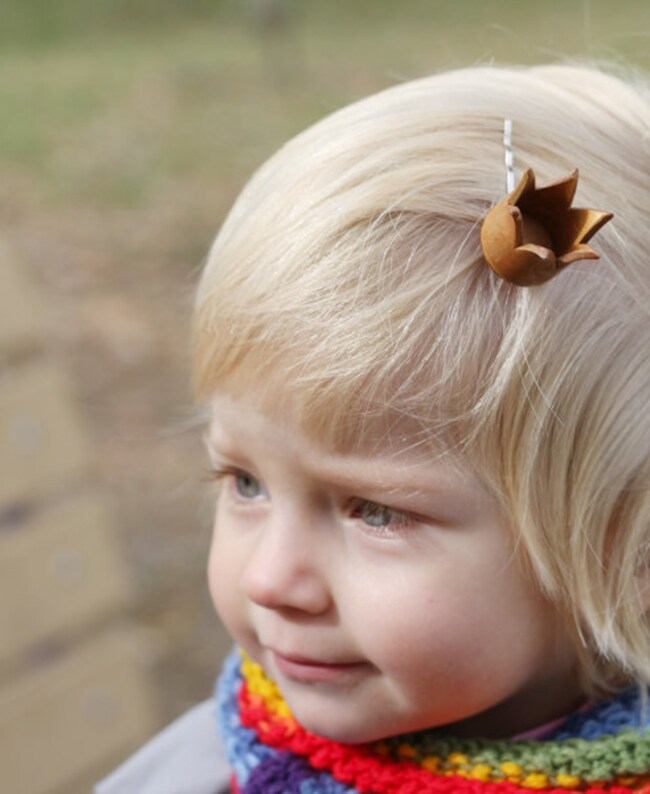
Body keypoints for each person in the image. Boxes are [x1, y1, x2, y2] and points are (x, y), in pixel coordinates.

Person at [96, 63, 650, 793]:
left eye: (377, 511)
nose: (271, 579)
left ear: (628, 548)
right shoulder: (206, 770)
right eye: (246, 483)